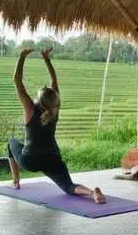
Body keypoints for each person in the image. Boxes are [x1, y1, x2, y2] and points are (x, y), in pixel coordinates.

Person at [7, 48, 105, 204]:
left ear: (39, 100)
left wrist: (22, 56)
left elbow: (17, 81)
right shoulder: (55, 110)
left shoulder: (30, 109)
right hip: (52, 158)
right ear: (54, 99)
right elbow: (54, 81)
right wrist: (46, 59)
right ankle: (92, 192)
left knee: (11, 142)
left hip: (30, 159)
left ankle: (15, 182)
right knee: (69, 186)